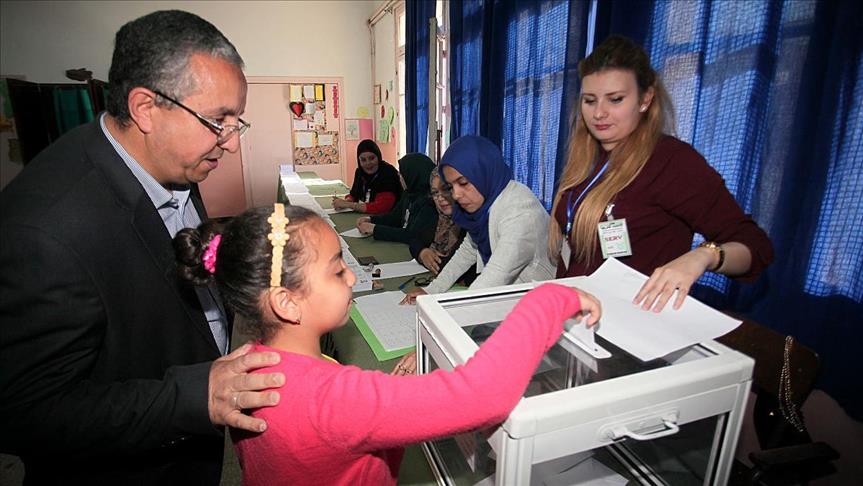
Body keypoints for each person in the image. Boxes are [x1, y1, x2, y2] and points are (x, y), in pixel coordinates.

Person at [0, 10, 283, 484]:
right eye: (218, 120)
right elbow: (24, 411)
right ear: (146, 108)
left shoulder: (172, 164)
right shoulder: (45, 230)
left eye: (237, 121)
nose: (231, 143)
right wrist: (194, 396)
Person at [174, 203, 601, 485]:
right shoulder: (338, 400)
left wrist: (392, 393)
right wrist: (549, 298)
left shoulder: (243, 368)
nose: (352, 277)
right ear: (286, 301)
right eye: (337, 270)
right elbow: (482, 395)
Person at [548, 35, 774, 312]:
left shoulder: (672, 161)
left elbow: (755, 246)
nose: (599, 113)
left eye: (615, 99)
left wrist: (704, 255)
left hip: (631, 321)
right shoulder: (586, 157)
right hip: (575, 313)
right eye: (590, 101)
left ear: (645, 99)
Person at [401, 135, 557, 304]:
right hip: (513, 299)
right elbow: (469, 249)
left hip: (543, 304)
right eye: (451, 187)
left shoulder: (521, 213)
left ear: (483, 173)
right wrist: (431, 290)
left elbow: (495, 276)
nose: (456, 195)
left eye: (463, 183)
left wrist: (448, 310)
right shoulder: (487, 204)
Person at [408, 169, 476, 282]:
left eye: (446, 189)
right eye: (435, 193)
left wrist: (432, 257)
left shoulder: (471, 220)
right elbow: (414, 240)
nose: (440, 198)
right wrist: (422, 253)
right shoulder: (434, 214)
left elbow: (452, 267)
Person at [356, 152, 439, 243]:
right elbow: (394, 217)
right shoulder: (408, 194)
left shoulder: (429, 202)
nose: (399, 177)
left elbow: (412, 235)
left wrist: (375, 229)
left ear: (413, 175)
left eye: (402, 174)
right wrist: (371, 219)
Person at [332, 139, 402, 214]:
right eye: (363, 160)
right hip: (368, 215)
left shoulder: (388, 172)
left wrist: (349, 205)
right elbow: (354, 194)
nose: (368, 163)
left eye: (372, 158)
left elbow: (382, 207)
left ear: (378, 157)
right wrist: (345, 201)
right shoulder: (360, 172)